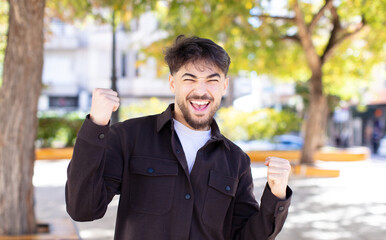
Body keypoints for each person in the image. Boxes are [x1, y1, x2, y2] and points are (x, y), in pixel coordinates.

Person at [66, 35, 292, 240]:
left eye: (212, 80)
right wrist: (96, 126)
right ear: (173, 83)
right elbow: (83, 209)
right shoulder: (129, 137)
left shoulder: (236, 161)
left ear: (224, 86)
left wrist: (277, 194)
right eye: (190, 79)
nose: (201, 91)